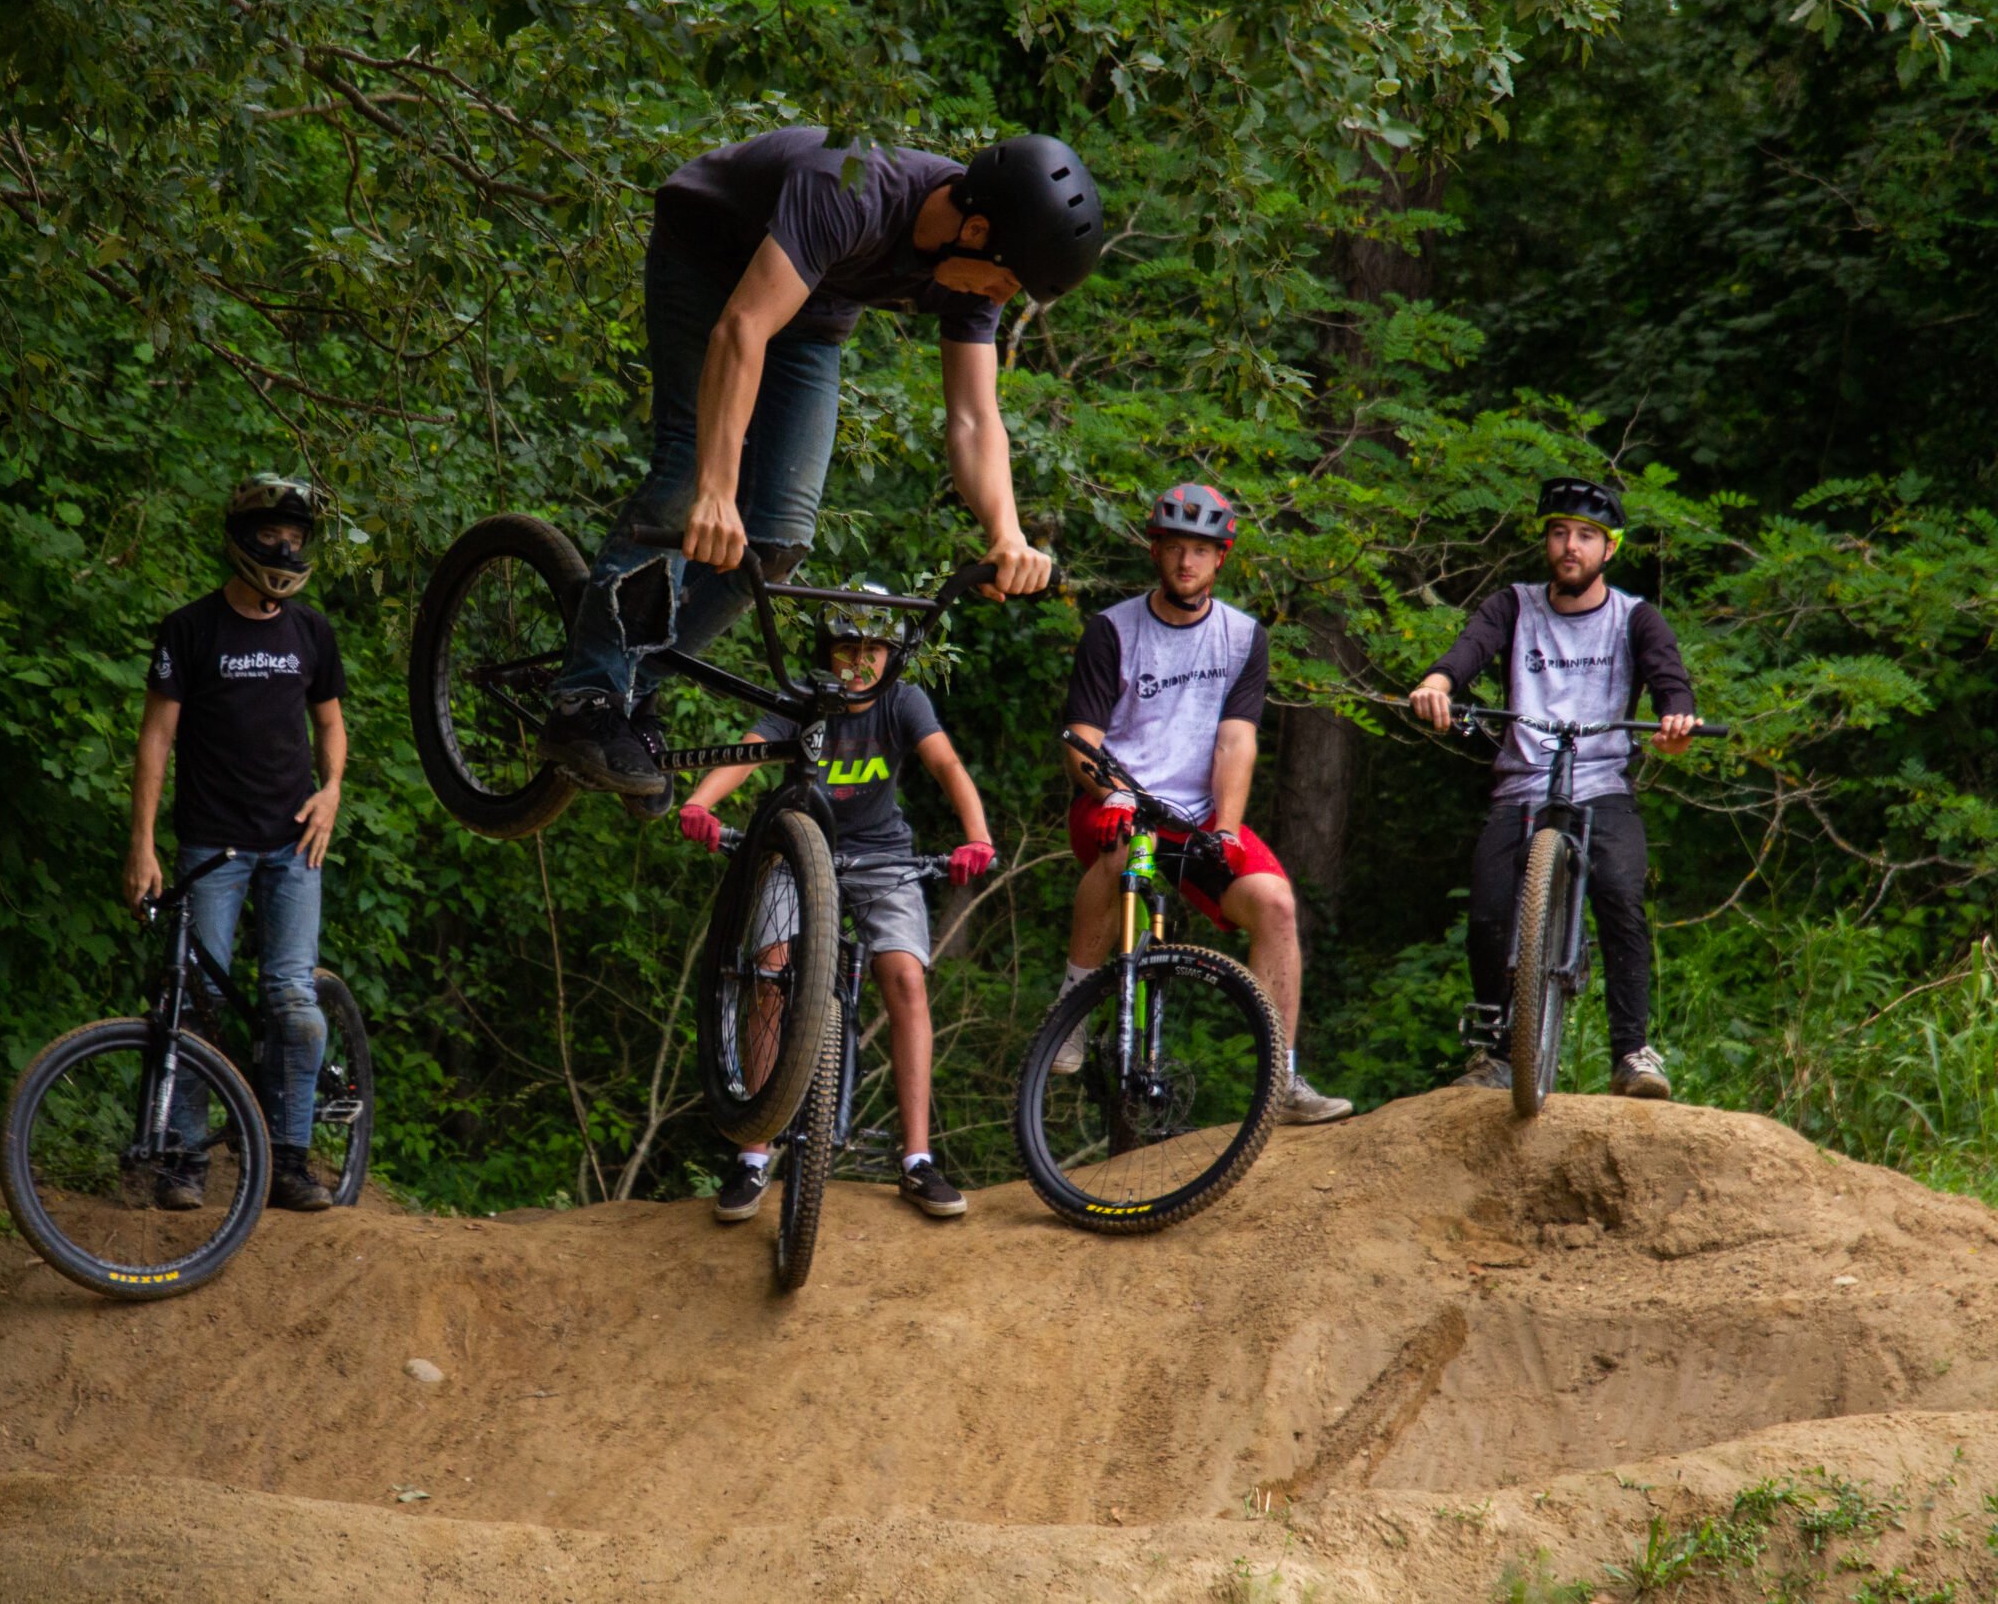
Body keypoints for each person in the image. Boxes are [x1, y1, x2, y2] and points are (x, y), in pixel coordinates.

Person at [539, 127, 1106, 813]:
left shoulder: (976, 272)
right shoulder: (851, 189)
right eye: (1006, 278)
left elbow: (974, 419)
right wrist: (717, 491)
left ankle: (634, 680)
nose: (999, 296)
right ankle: (587, 695)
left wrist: (1006, 532)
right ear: (976, 227)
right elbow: (741, 328)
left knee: (778, 539)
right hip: (707, 258)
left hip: (815, 307)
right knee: (688, 479)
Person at [675, 594, 999, 1220]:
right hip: (798, 852)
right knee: (770, 970)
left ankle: (917, 1160)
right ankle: (752, 1156)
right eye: (846, 648)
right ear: (827, 653)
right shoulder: (803, 700)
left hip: (882, 855)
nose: (858, 662)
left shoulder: (903, 701)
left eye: (872, 649)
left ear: (891, 655)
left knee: (905, 977)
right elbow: (746, 752)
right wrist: (699, 803)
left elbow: (946, 764)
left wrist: (977, 836)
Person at [1056, 484, 1352, 1126]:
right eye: (1175, 548)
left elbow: (1236, 739)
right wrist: (1111, 793)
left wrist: (1227, 827)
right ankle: (1071, 1013)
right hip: (1117, 797)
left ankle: (1284, 1078)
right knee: (1123, 848)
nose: (1187, 562)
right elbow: (1082, 740)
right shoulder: (1111, 629)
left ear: (1221, 559)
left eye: (1201, 550)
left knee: (1275, 903)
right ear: (1154, 550)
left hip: (1194, 816)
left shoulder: (1244, 637)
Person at [1408, 476, 1702, 1100]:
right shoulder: (1513, 606)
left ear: (1609, 549)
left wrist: (1677, 718)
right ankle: (1494, 1051)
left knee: (1621, 894)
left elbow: (1669, 678)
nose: (1571, 546)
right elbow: (1467, 652)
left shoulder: (1634, 618)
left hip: (1600, 782)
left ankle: (1631, 1052)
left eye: (1587, 536)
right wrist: (1438, 682)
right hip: (1521, 786)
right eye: (1560, 533)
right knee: (1488, 913)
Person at [122, 476, 349, 1211]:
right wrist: (142, 844)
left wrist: (332, 789)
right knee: (196, 1005)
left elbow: (331, 726)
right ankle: (184, 1159)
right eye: (273, 533)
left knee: (292, 1000)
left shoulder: (311, 630)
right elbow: (156, 738)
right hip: (210, 847)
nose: (285, 546)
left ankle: (288, 1158)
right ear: (242, 534)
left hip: (293, 847)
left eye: (296, 535)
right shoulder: (190, 628)